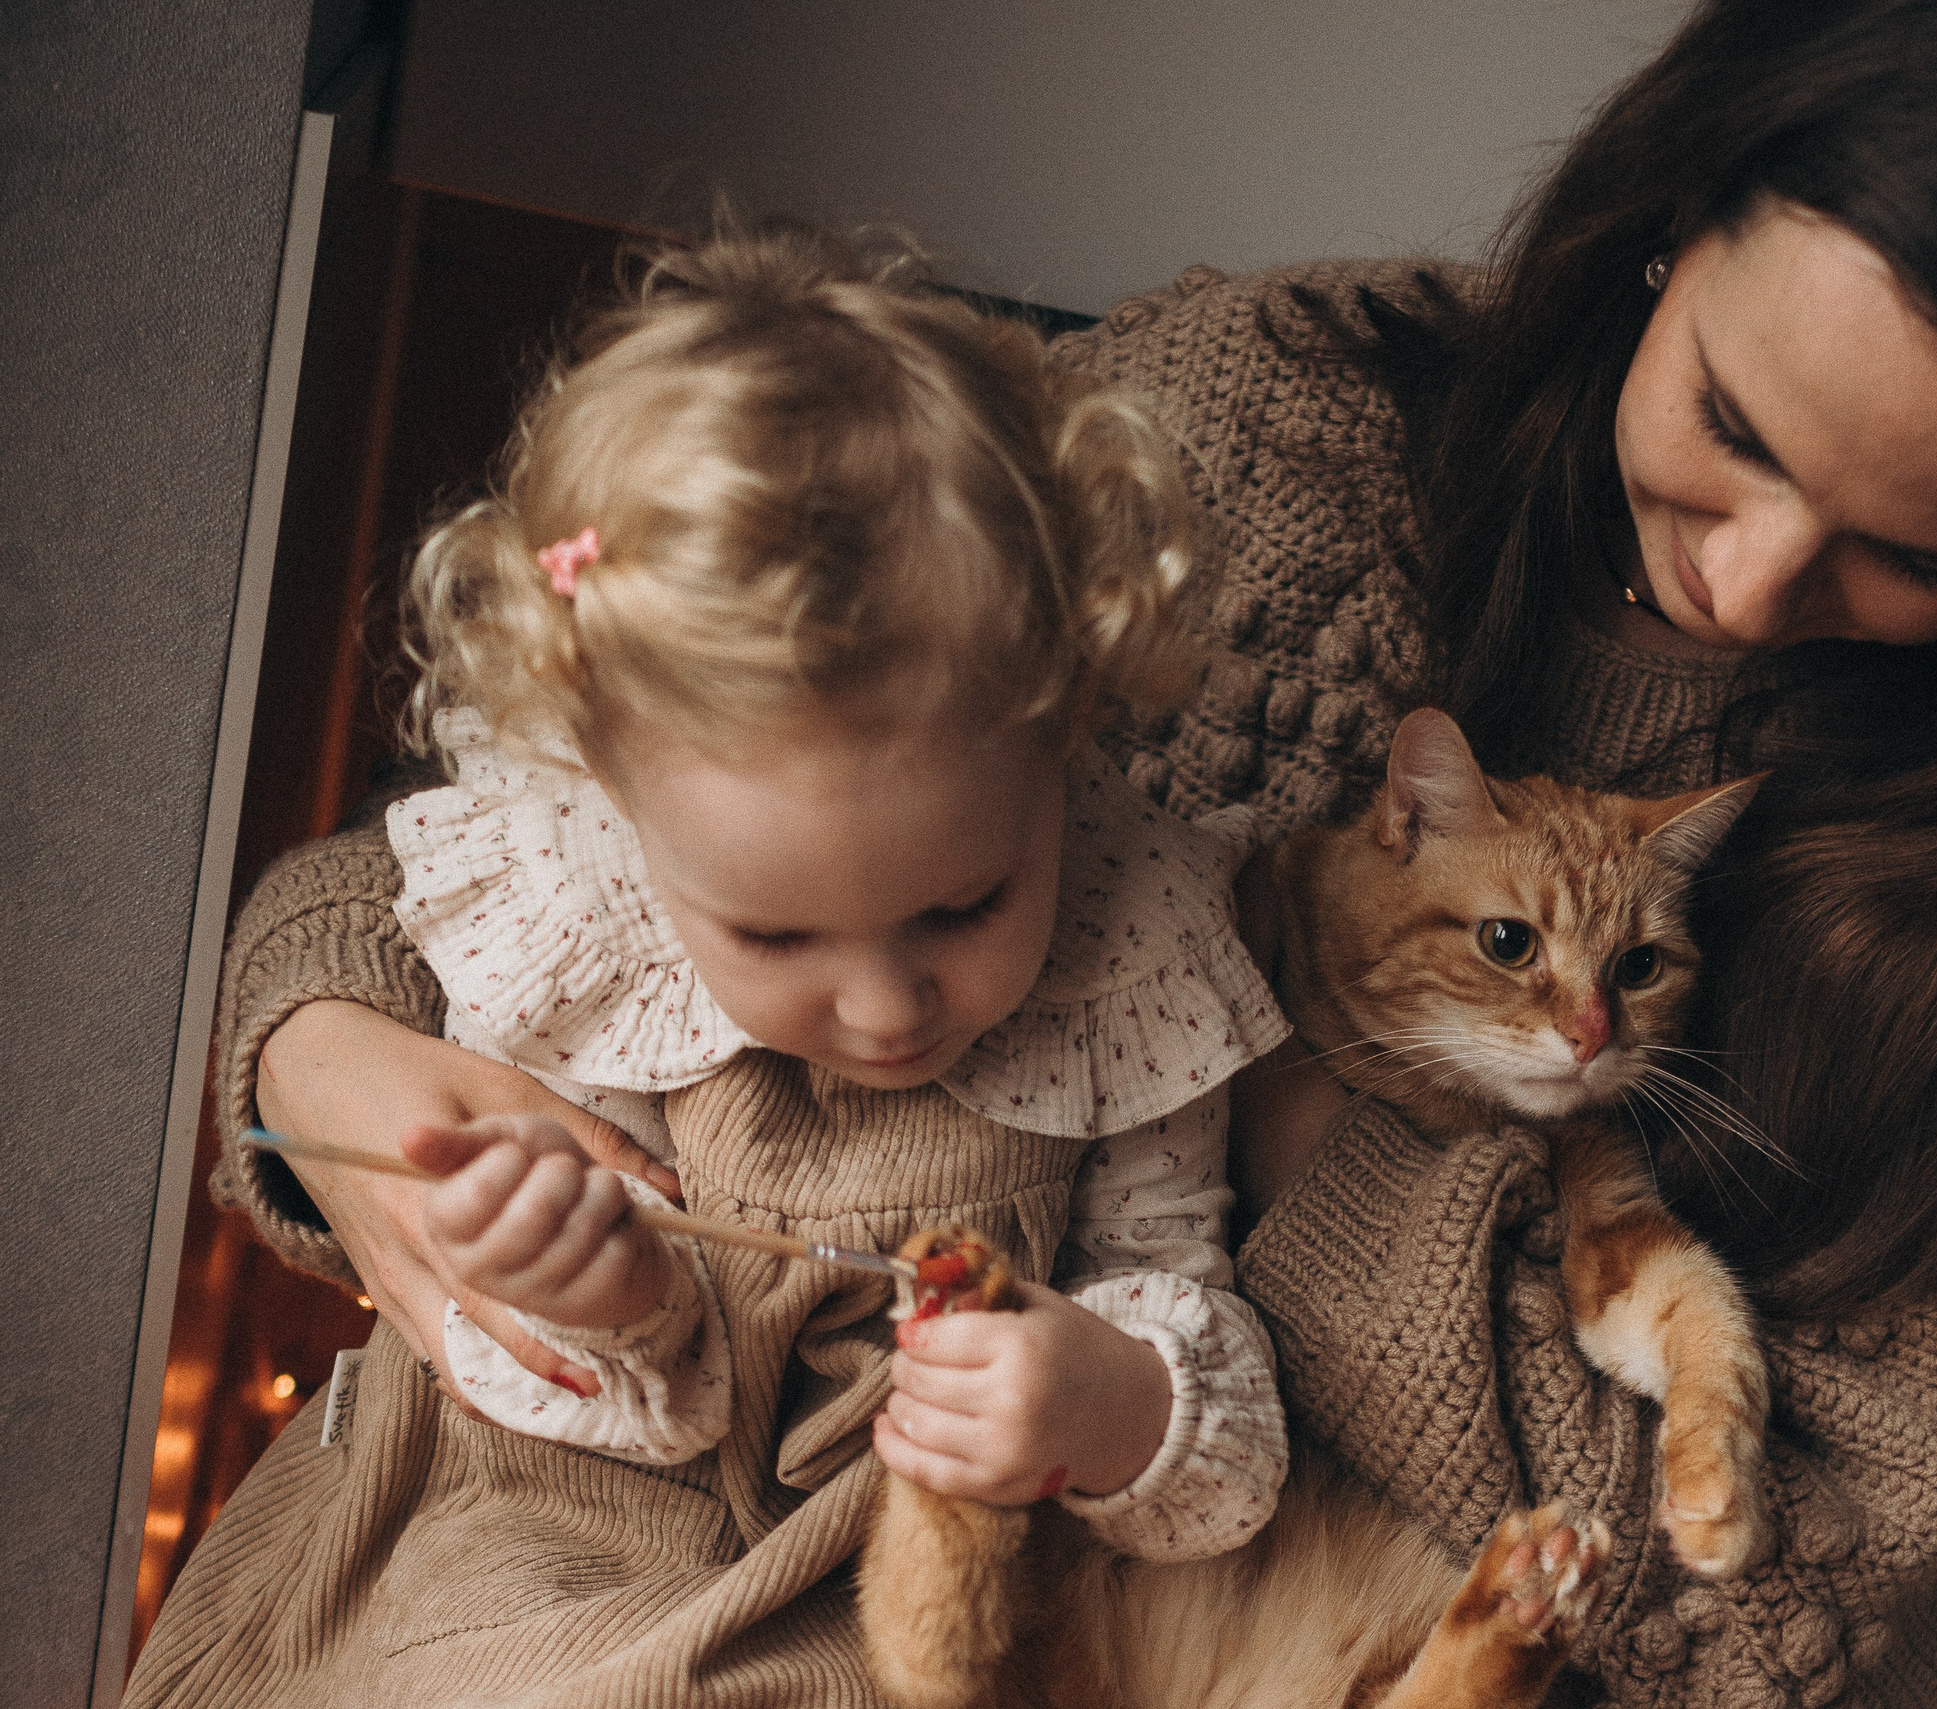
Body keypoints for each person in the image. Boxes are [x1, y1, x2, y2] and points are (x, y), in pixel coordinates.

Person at [191, 0, 1937, 1701]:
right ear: (1667, 217)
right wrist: (323, 1063)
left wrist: (1307, 1143)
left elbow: (1796, 1619)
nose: (1746, 580)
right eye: (1729, 428)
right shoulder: (1262, 416)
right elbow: (575, 821)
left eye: (1924, 558)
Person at [129, 229, 1291, 1703]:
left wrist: (1113, 1401)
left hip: (876, 1587)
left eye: (964, 906)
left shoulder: (1137, 950)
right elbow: (500, 1356)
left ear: (1067, 737)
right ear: (615, 801)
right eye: (775, 935)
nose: (885, 1007)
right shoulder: (573, 915)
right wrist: (587, 1285)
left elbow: (1182, 1312)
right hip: (545, 1528)